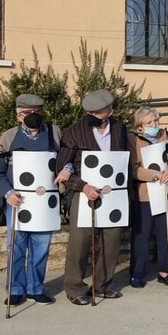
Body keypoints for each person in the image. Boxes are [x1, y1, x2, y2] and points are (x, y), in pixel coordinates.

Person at [0, 93, 69, 306]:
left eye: (37, 112)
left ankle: (36, 288)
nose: (33, 116)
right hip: (17, 202)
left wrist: (68, 169)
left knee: (41, 247)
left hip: (45, 203)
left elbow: (67, 158)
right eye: (27, 113)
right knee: (15, 247)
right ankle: (16, 289)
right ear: (18, 116)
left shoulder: (54, 133)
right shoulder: (8, 137)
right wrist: (8, 193)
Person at [57, 89, 129, 305]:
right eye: (94, 113)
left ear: (109, 110)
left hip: (113, 192)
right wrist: (82, 185)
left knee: (111, 238)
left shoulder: (120, 129)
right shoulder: (75, 131)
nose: (97, 116)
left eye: (101, 112)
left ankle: (103, 285)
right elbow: (62, 165)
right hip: (84, 192)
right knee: (80, 240)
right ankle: (75, 287)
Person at [127, 106, 168, 288]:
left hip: (165, 193)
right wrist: (153, 174)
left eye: (156, 121)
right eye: (149, 122)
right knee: (142, 236)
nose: (154, 125)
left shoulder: (164, 135)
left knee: (166, 234)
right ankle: (137, 273)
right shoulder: (132, 139)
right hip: (144, 195)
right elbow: (132, 168)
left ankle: (165, 270)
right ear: (140, 125)